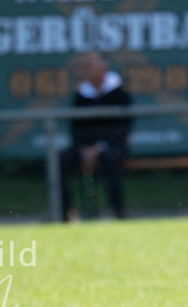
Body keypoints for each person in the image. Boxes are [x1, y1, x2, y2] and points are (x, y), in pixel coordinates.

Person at [59, 52, 132, 222]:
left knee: (110, 158)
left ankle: (118, 212)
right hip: (84, 148)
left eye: (89, 67)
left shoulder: (120, 94)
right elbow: (76, 127)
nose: (85, 71)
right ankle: (65, 213)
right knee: (61, 159)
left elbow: (123, 128)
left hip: (112, 147)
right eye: (84, 67)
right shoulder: (82, 95)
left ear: (102, 69)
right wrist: (83, 148)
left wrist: (100, 147)